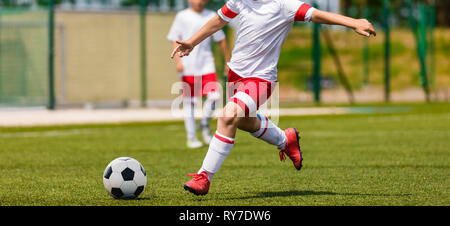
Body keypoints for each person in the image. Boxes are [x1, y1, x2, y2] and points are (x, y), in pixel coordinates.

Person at [171, 0, 376, 196]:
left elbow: (318, 15)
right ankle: (284, 139)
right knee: (242, 121)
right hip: (236, 75)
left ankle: (204, 177)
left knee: (227, 116)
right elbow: (219, 20)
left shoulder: (285, 4)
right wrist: (192, 42)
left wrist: (353, 22)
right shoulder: (240, 0)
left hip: (261, 79)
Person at [167, 0, 231, 149]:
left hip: (207, 65)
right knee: (190, 103)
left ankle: (204, 124)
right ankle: (191, 137)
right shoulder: (182, 16)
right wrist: (178, 62)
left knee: (215, 96)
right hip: (188, 66)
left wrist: (227, 61)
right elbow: (174, 40)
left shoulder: (212, 16)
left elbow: (221, 40)